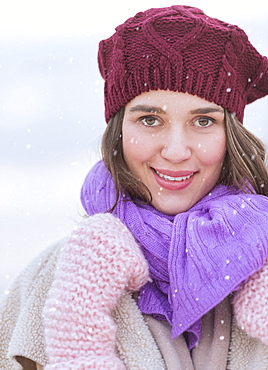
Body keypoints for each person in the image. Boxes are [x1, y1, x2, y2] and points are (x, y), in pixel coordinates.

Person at [1, 5, 268, 369]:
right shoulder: (53, 281)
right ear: (119, 131)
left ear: (230, 135)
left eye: (203, 120)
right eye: (149, 119)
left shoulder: (262, 270)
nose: (175, 151)